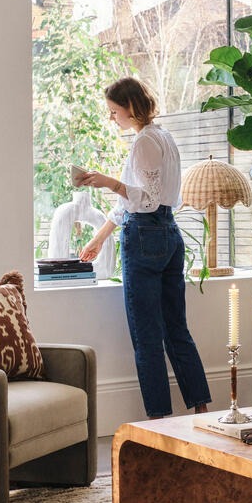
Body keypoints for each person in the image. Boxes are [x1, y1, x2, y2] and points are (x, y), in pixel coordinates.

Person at [77, 76, 211, 420]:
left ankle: (159, 422)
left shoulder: (144, 142)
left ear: (130, 107)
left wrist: (110, 182)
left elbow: (146, 200)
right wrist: (101, 236)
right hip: (168, 234)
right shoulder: (163, 137)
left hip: (145, 237)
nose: (111, 118)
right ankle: (201, 409)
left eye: (113, 111)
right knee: (175, 329)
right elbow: (141, 204)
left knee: (146, 334)